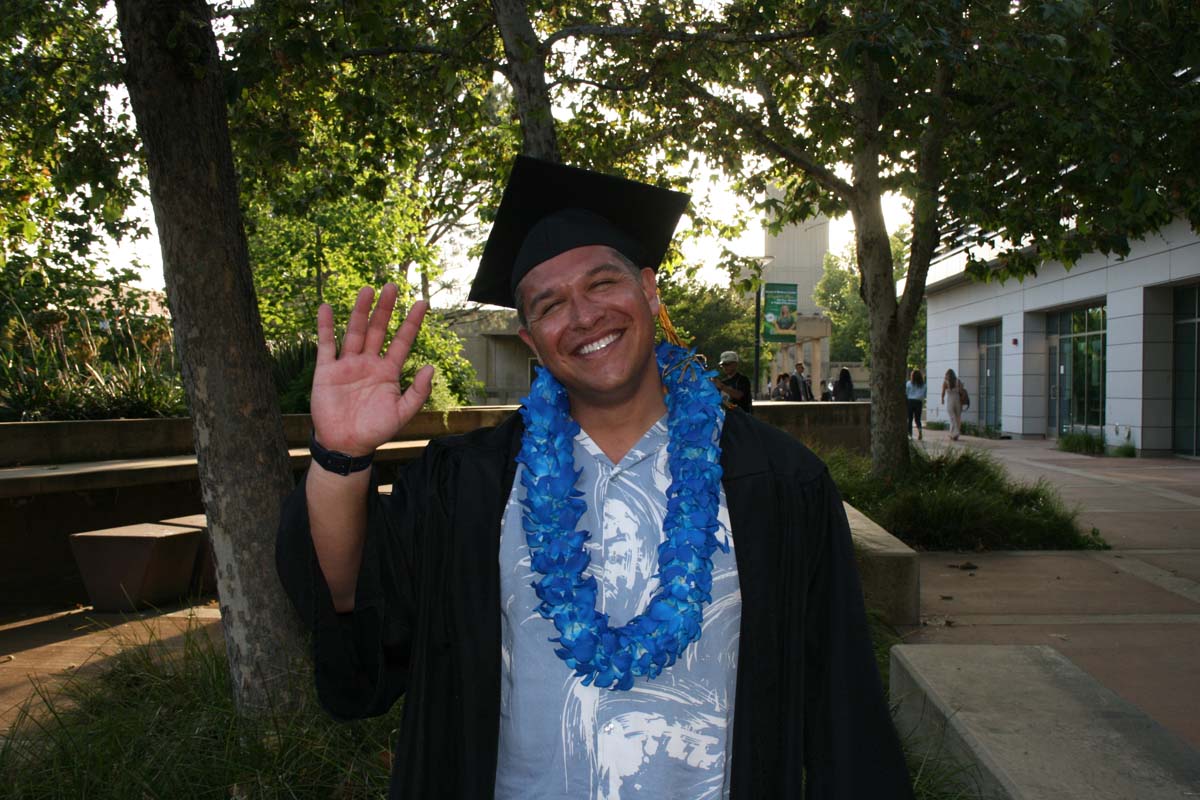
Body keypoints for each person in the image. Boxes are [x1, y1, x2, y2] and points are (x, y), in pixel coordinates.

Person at [276, 156, 913, 799]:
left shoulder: (776, 481)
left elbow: (841, 707)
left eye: (602, 284)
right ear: (531, 341)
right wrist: (340, 457)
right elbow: (352, 599)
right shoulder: (467, 486)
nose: (583, 316)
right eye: (550, 304)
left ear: (649, 290)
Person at [715, 350, 753, 414]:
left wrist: (722, 387)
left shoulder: (743, 380)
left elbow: (739, 395)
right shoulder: (723, 381)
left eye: (727, 364)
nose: (724, 367)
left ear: (735, 364)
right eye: (723, 365)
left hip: (742, 417)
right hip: (728, 417)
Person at [941, 367, 964, 440]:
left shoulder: (945, 382)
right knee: (958, 417)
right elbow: (961, 392)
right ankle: (955, 434)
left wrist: (942, 399)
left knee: (952, 417)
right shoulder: (958, 381)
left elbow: (943, 392)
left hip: (950, 400)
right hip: (957, 400)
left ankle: (954, 433)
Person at [906, 368, 927, 440]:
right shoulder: (923, 385)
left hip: (910, 402)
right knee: (917, 419)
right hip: (919, 402)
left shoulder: (908, 383)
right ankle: (920, 431)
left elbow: (906, 393)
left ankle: (910, 435)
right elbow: (924, 395)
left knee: (910, 419)